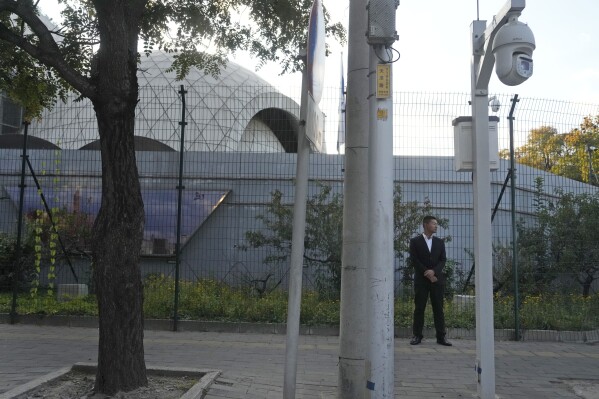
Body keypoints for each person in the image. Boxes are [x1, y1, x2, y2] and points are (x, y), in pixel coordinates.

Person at [409, 215, 452, 346]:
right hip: (421, 281)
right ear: (426, 225)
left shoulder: (440, 242)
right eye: (434, 223)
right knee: (419, 308)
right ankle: (417, 335)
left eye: (436, 224)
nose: (436, 226)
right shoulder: (415, 241)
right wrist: (426, 272)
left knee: (438, 308)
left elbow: (443, 260)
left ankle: (441, 337)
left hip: (436, 280)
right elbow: (414, 259)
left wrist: (434, 271)